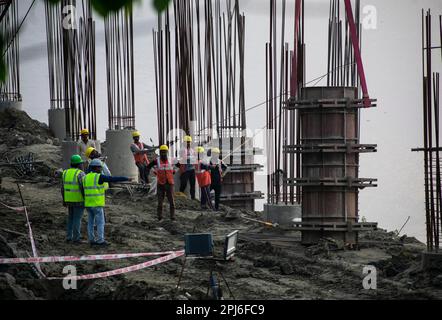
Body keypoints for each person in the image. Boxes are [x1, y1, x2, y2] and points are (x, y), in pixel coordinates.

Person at [83, 159, 131, 246]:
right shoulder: (99, 177)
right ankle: (100, 240)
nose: (101, 169)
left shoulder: (85, 177)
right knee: (100, 223)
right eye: (100, 167)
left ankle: (91, 240)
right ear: (96, 168)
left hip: (88, 204)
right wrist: (126, 178)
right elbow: (112, 179)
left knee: (90, 223)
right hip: (96, 204)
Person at [147, 145, 176, 221]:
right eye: (162, 152)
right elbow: (148, 166)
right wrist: (154, 171)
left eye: (164, 152)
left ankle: (172, 217)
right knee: (160, 202)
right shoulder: (157, 160)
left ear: (167, 152)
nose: (163, 153)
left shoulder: (171, 159)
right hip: (161, 184)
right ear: (160, 152)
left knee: (171, 201)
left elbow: (179, 165)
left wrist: (174, 171)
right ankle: (159, 217)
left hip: (169, 183)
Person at [61, 155, 86, 244]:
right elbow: (83, 188)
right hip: (78, 200)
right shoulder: (80, 173)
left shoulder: (65, 173)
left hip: (69, 200)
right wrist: (85, 199)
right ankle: (76, 238)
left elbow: (62, 188)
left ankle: (69, 237)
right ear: (79, 164)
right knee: (77, 219)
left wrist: (64, 200)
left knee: (71, 218)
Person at [179, 135, 197, 200]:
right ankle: (181, 197)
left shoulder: (192, 150)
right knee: (183, 184)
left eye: (189, 142)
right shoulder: (182, 150)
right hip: (185, 170)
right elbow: (182, 159)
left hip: (192, 169)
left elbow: (195, 158)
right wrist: (189, 158)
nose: (188, 143)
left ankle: (193, 198)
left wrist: (190, 158)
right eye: (187, 142)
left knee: (193, 185)